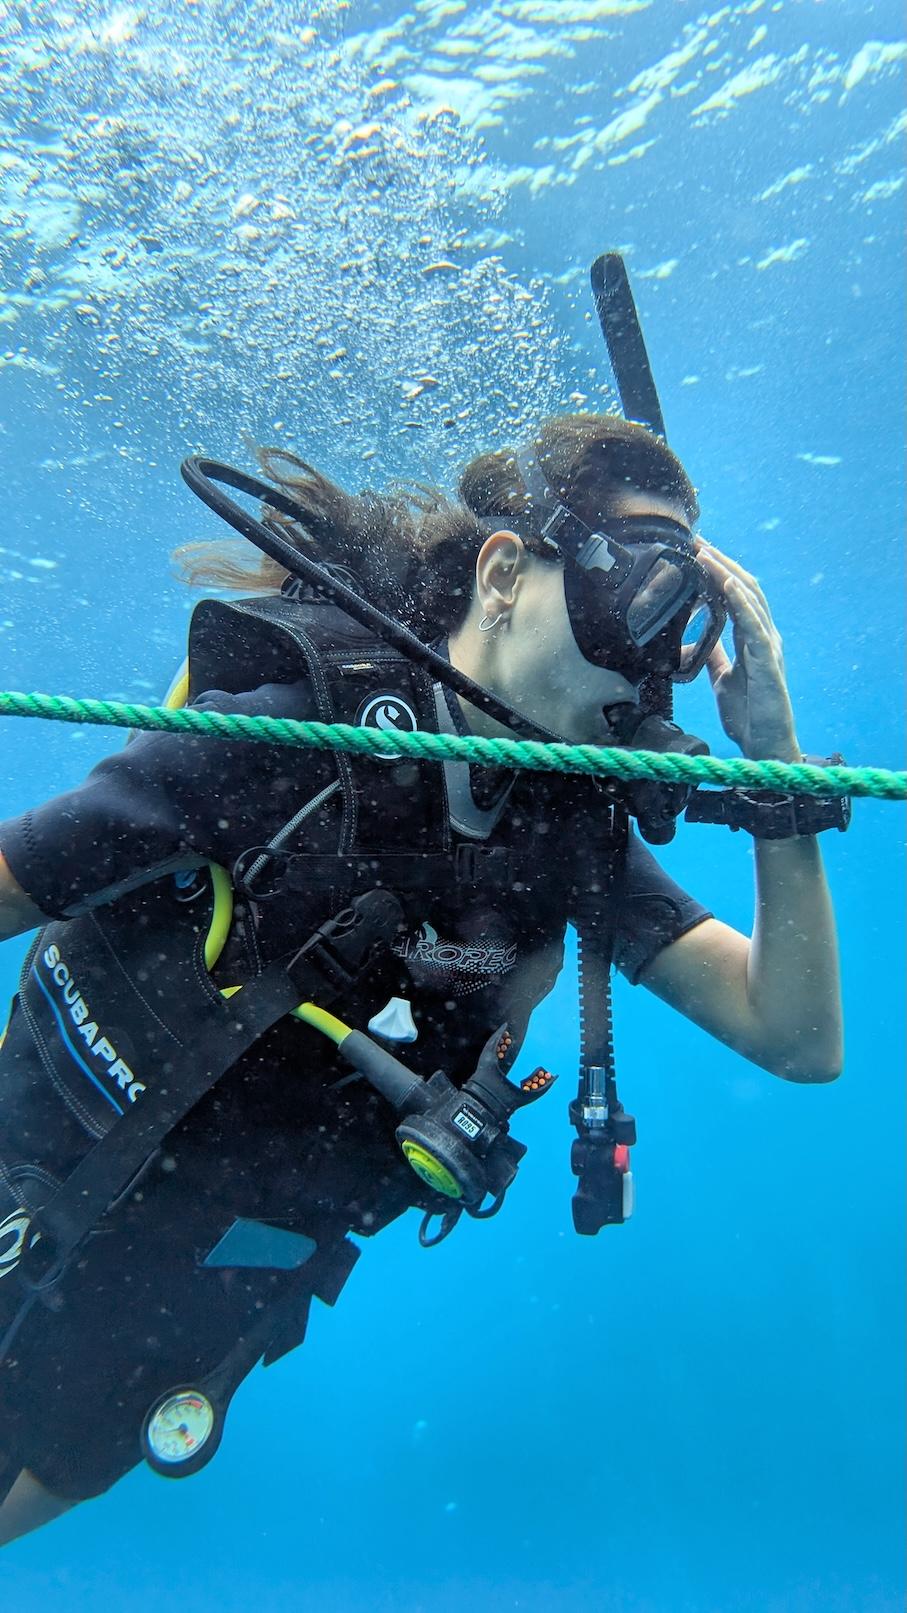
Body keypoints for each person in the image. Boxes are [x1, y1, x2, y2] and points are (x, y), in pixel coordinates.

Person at [0, 412, 843, 1545]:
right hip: (39, 1171)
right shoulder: (299, 735)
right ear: (505, 571)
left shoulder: (572, 831)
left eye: (677, 618)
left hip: (210, 1279)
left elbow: (793, 1035)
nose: (654, 655)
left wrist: (777, 772)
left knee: (57, 1474)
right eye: (638, 590)